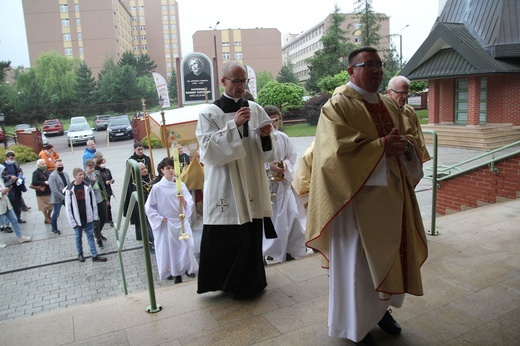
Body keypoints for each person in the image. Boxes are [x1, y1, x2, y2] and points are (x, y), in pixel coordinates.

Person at [306, 47, 429, 345]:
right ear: (351, 71)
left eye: (379, 64)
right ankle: (355, 326)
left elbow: (406, 138)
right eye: (368, 65)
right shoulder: (336, 107)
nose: (376, 70)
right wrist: (381, 148)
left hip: (391, 198)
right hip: (355, 203)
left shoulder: (389, 105)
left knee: (388, 258)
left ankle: (380, 312)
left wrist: (405, 147)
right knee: (358, 268)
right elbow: (332, 157)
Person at [195, 60, 276, 299]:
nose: (241, 86)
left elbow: (266, 151)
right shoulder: (209, 113)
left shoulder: (255, 108)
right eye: (236, 81)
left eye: (244, 81)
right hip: (226, 183)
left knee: (250, 234)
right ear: (223, 82)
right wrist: (235, 125)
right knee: (228, 237)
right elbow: (208, 151)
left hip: (250, 179)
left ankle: (250, 282)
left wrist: (264, 136)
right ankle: (226, 283)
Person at [262, 105, 307, 263]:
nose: (273, 123)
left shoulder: (282, 137)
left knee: (291, 215)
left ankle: (289, 248)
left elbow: (292, 155)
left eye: (276, 120)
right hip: (268, 186)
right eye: (270, 120)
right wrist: (269, 166)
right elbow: (257, 161)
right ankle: (271, 250)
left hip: (283, 185)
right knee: (274, 220)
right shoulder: (259, 138)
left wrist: (285, 164)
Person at [145, 157, 198, 283]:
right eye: (168, 168)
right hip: (167, 223)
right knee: (172, 250)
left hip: (181, 221)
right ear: (162, 170)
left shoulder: (181, 184)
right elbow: (149, 206)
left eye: (173, 168)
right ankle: (175, 273)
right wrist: (158, 218)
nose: (171, 170)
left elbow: (189, 201)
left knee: (187, 246)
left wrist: (184, 202)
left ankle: (188, 268)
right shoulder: (157, 187)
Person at [65, 168, 107, 263]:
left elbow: (93, 202)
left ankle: (94, 255)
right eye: (80, 175)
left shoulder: (87, 186)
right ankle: (80, 253)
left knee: (90, 236)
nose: (82, 176)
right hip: (77, 218)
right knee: (78, 236)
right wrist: (72, 221)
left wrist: (95, 216)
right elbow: (68, 207)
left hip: (87, 217)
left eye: (82, 174)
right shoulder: (69, 190)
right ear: (75, 176)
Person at [387, 76, 430, 163]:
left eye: (407, 93)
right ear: (389, 92)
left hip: (408, 160)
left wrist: (408, 142)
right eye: (401, 93)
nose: (405, 96)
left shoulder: (410, 111)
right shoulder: (381, 109)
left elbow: (419, 138)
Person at [124, 162, 155, 252]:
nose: (145, 170)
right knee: (147, 228)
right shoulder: (135, 183)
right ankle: (150, 246)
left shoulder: (151, 177)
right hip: (145, 208)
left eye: (145, 168)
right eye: (142, 169)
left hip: (154, 206)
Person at [0, 165, 32, 245]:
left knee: (14, 219)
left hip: (6, 203)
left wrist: (6, 190)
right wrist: (1, 193)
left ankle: (20, 237)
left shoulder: (0, 179)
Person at [84, 159, 109, 248]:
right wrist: (93, 181)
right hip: (92, 201)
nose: (92, 169)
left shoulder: (97, 173)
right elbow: (86, 186)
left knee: (104, 217)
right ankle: (98, 239)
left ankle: (98, 232)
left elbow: (102, 186)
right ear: (86, 167)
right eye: (90, 168)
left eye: (93, 167)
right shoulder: (84, 176)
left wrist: (106, 198)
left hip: (100, 198)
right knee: (95, 220)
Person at [2, 150, 27, 223]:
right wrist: (10, 177)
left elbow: (19, 169)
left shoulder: (15, 163)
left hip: (17, 184)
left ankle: (18, 217)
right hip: (9, 186)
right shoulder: (3, 166)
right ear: (6, 158)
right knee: (13, 202)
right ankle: (14, 218)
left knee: (19, 201)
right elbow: (3, 176)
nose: (12, 160)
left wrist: (20, 173)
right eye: (11, 158)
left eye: (13, 158)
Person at [48, 159, 70, 235]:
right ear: (55, 166)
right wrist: (63, 197)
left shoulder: (65, 173)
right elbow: (54, 190)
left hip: (66, 196)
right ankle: (54, 228)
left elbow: (69, 184)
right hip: (58, 198)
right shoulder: (52, 176)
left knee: (72, 210)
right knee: (56, 214)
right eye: (59, 165)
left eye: (61, 165)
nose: (61, 167)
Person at [31, 159, 53, 224]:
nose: (44, 165)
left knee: (51, 205)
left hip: (48, 191)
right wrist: (44, 182)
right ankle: (47, 218)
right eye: (42, 164)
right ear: (38, 165)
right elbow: (34, 182)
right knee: (44, 207)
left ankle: (48, 216)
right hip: (41, 192)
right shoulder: (36, 173)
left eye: (44, 163)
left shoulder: (46, 171)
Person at [95, 157, 114, 227]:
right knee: (104, 206)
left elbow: (110, 178)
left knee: (108, 206)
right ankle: (103, 218)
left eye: (104, 162)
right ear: (98, 164)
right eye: (102, 163)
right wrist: (104, 182)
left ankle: (110, 219)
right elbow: (97, 182)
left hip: (108, 191)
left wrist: (111, 181)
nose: (104, 164)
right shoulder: (97, 172)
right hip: (101, 192)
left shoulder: (107, 170)